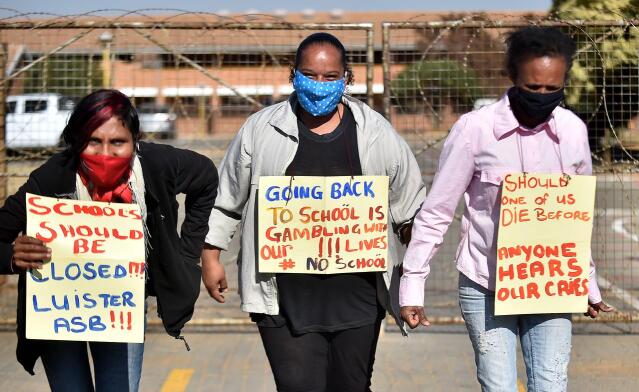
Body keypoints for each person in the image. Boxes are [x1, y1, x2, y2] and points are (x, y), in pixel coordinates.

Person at [202, 32, 425, 391]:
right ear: (293, 76)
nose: (319, 85)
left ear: (347, 79)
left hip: (357, 298)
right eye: (309, 74)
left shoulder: (375, 133)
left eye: (330, 77)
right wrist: (210, 254)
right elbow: (228, 198)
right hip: (283, 297)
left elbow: (409, 209)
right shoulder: (261, 130)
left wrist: (414, 277)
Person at [399, 26, 614, 392]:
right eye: (533, 88)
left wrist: (586, 283)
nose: (543, 97)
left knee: (551, 385)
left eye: (553, 89)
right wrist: (412, 284)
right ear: (513, 77)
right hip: (485, 283)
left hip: (549, 284)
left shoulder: (574, 132)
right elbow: (436, 211)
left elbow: (575, 220)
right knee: (498, 387)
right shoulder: (474, 130)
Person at [0, 89, 225, 392]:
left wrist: (187, 254)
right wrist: (13, 257)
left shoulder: (157, 164)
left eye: (117, 142)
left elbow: (207, 178)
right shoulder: (53, 176)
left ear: (135, 140)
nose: (105, 153)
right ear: (78, 140)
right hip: (57, 312)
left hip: (119, 306)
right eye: (93, 141)